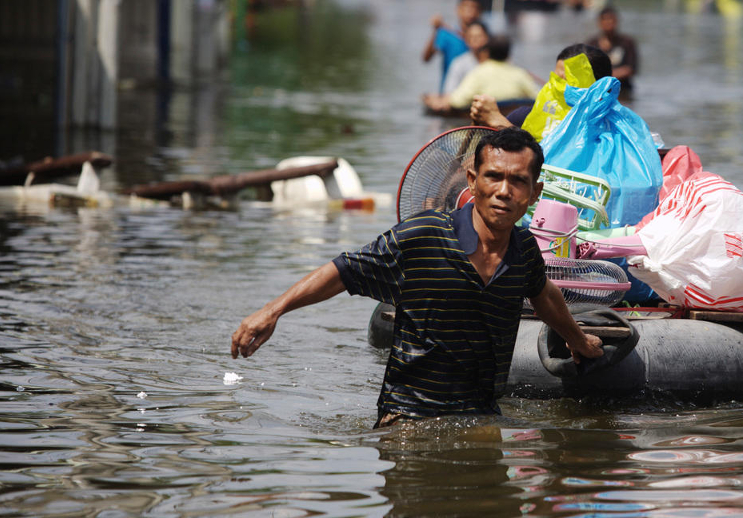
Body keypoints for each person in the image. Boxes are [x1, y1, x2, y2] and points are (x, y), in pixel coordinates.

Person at [231, 127, 604, 428]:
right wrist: (272, 311)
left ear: (534, 192)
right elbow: (343, 271)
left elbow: (543, 294)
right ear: (472, 181)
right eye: (493, 177)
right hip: (409, 420)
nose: (504, 191)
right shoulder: (424, 236)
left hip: (481, 417)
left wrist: (578, 340)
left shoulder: (523, 248)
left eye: (518, 181)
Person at [470, 43, 612, 129]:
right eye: (556, 79)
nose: (557, 87)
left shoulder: (612, 130)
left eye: (569, 83)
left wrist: (500, 123)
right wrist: (478, 123)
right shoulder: (524, 117)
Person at [423, 34, 539, 113]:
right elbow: (538, 97)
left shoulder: (479, 72)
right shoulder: (520, 73)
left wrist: (442, 100)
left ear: (487, 52)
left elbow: (458, 102)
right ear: (508, 53)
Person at [422, 0, 484, 92]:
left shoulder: (485, 35)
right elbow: (426, 59)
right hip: (450, 92)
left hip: (477, 92)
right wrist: (435, 30)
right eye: (466, 7)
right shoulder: (446, 34)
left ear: (480, 12)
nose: (470, 12)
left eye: (474, 8)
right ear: (458, 9)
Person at [586, 6, 638, 98]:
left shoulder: (627, 43)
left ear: (617, 21)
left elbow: (631, 68)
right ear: (599, 22)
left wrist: (606, 77)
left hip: (622, 90)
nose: (609, 22)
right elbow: (586, 69)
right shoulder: (591, 44)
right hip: (598, 92)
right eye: (605, 20)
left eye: (611, 19)